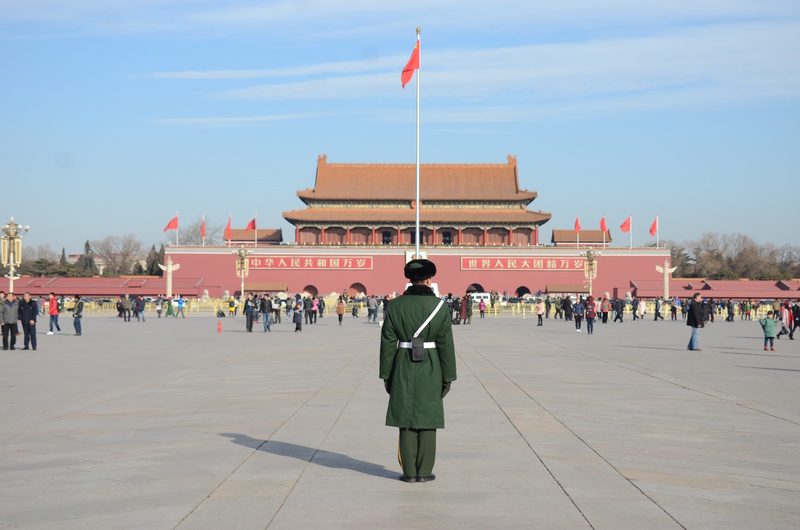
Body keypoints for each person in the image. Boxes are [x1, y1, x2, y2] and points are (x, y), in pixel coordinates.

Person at [380, 259, 456, 483]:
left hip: (403, 363)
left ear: (410, 280)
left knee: (406, 419)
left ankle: (409, 472)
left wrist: (386, 374)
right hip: (431, 365)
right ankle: (424, 472)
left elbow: (387, 343)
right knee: (428, 418)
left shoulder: (395, 306)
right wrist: (448, 377)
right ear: (429, 280)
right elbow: (446, 345)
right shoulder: (440, 307)